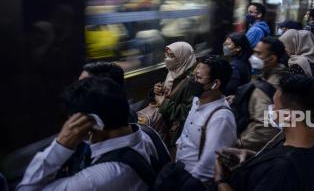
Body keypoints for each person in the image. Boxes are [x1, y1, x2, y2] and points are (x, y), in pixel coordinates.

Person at [17, 77, 158, 191]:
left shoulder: (95, 180)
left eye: (72, 120)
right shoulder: (149, 134)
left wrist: (61, 145)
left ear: (92, 122)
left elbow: (27, 188)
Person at [214, 74, 314, 191]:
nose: (271, 109)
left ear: (288, 115)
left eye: (275, 105)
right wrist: (254, 156)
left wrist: (220, 180)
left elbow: (279, 169)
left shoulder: (282, 171)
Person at [175, 55, 236, 182]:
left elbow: (210, 164)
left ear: (215, 84)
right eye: (193, 76)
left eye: (198, 78)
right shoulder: (197, 99)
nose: (192, 81)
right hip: (180, 170)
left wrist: (190, 184)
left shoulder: (221, 118)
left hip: (194, 179)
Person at [138, 42, 197, 148]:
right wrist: (156, 91)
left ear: (183, 57)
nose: (167, 59)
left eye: (172, 56)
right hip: (163, 121)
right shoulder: (172, 72)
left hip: (172, 130)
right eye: (166, 55)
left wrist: (163, 103)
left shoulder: (192, 81)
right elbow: (168, 95)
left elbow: (186, 113)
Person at [237, 37, 287, 151]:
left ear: (272, 58)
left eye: (258, 53)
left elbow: (266, 128)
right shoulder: (282, 74)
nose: (253, 57)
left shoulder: (264, 90)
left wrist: (239, 142)